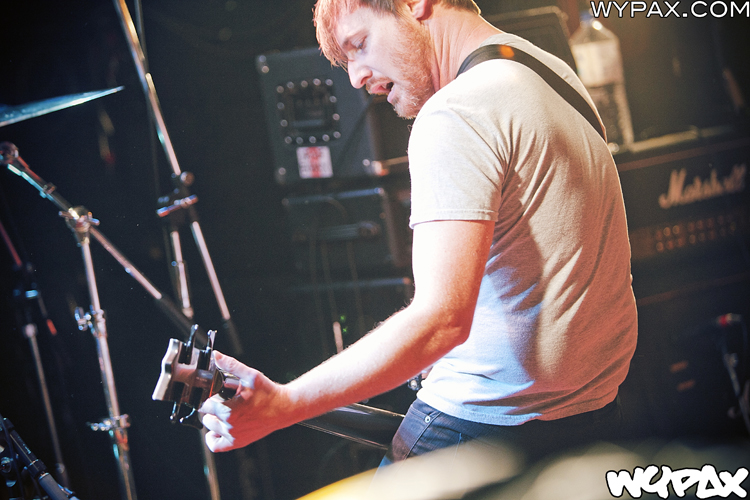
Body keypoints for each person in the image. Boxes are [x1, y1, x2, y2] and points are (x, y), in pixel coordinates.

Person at [200, 0, 638, 466]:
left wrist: (283, 404)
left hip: (478, 432)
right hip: (593, 424)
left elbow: (441, 321)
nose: (356, 78)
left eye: (359, 44)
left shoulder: (457, 112)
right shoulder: (552, 73)